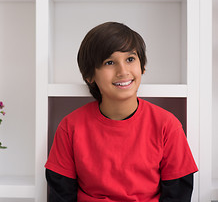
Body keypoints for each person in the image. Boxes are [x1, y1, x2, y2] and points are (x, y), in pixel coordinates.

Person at [45, 22, 198, 201]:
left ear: (142, 66)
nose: (123, 71)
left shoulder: (167, 125)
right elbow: (60, 194)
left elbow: (179, 193)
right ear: (89, 76)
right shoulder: (70, 127)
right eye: (109, 62)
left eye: (130, 59)